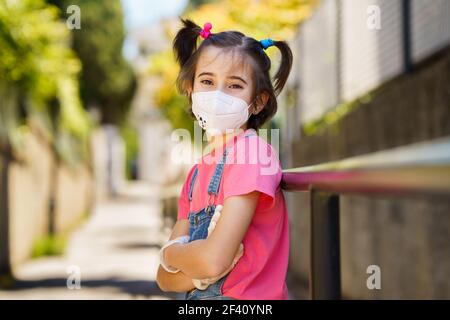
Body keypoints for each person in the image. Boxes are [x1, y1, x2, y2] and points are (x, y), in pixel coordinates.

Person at [156, 18, 293, 300]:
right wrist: (192, 269)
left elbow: (212, 261)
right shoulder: (195, 174)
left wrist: (172, 254)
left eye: (234, 85)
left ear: (258, 101)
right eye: (207, 81)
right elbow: (164, 280)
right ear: (191, 88)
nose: (217, 94)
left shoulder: (251, 155)